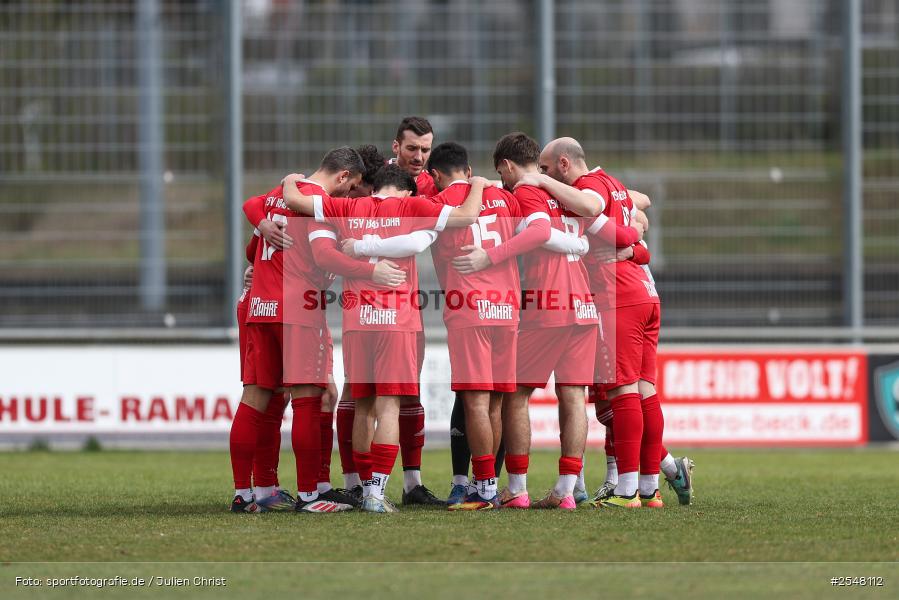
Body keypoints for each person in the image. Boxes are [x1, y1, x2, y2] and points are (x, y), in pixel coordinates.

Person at [282, 164, 486, 512]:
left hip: (357, 320)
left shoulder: (346, 207)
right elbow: (468, 215)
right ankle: (377, 493)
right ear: (406, 191)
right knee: (389, 405)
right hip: (397, 320)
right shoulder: (413, 208)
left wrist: (290, 180)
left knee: (363, 406)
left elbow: (295, 200)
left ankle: (361, 488)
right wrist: (479, 183)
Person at [455, 132, 598, 510]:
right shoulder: (564, 190)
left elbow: (536, 231)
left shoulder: (525, 191)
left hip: (548, 302)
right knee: (573, 396)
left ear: (505, 165)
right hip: (584, 302)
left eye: (500, 173)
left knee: (515, 395)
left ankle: (516, 487)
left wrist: (491, 257)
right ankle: (567, 490)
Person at [232, 147, 375, 513]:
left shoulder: (284, 192)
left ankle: (249, 493)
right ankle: (312, 495)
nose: (348, 196)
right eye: (351, 187)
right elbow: (327, 255)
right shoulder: (316, 202)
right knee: (311, 399)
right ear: (343, 177)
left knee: (257, 399)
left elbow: (253, 246)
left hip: (261, 308)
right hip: (298, 310)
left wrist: (262, 223)